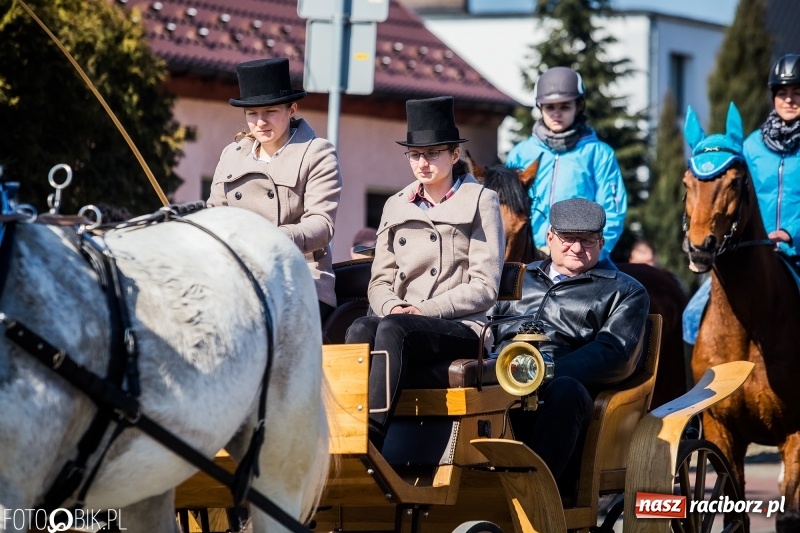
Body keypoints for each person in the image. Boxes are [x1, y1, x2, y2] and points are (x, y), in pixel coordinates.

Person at [345, 96, 505, 451]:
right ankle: (344, 434)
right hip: (402, 319)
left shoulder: (481, 201)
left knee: (392, 329)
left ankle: (369, 441)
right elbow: (380, 279)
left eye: (433, 153)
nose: (423, 162)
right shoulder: (396, 204)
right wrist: (393, 306)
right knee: (360, 326)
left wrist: (422, 311)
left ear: (453, 155)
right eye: (415, 155)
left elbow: (484, 287)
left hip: (461, 327)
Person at [490, 198, 649, 495]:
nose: (577, 248)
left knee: (567, 390)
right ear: (549, 237)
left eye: (587, 240)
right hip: (495, 378)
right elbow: (483, 327)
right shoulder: (512, 278)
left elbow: (614, 353)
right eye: (568, 239)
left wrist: (539, 372)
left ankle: (533, 494)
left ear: (601, 242)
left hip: (563, 392)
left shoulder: (624, 290)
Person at [206, 57, 342, 324]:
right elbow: (215, 214)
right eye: (252, 114)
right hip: (239, 273)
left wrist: (273, 237)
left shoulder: (316, 153)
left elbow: (322, 224)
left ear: (291, 110)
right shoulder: (232, 155)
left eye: (270, 112)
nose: (260, 122)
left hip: (301, 277)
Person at [683, 53, 800, 351]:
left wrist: (790, 233)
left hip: (795, 251)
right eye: (782, 93)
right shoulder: (749, 146)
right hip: (751, 251)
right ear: (773, 97)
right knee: (691, 316)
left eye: (797, 93)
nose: (789, 100)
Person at [506, 67, 627, 261]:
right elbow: (505, 209)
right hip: (526, 255)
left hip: (579, 255)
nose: (556, 114)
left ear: (578, 107)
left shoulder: (599, 153)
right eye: (550, 107)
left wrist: (595, 254)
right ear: (540, 108)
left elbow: (613, 212)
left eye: (564, 107)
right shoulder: (520, 153)